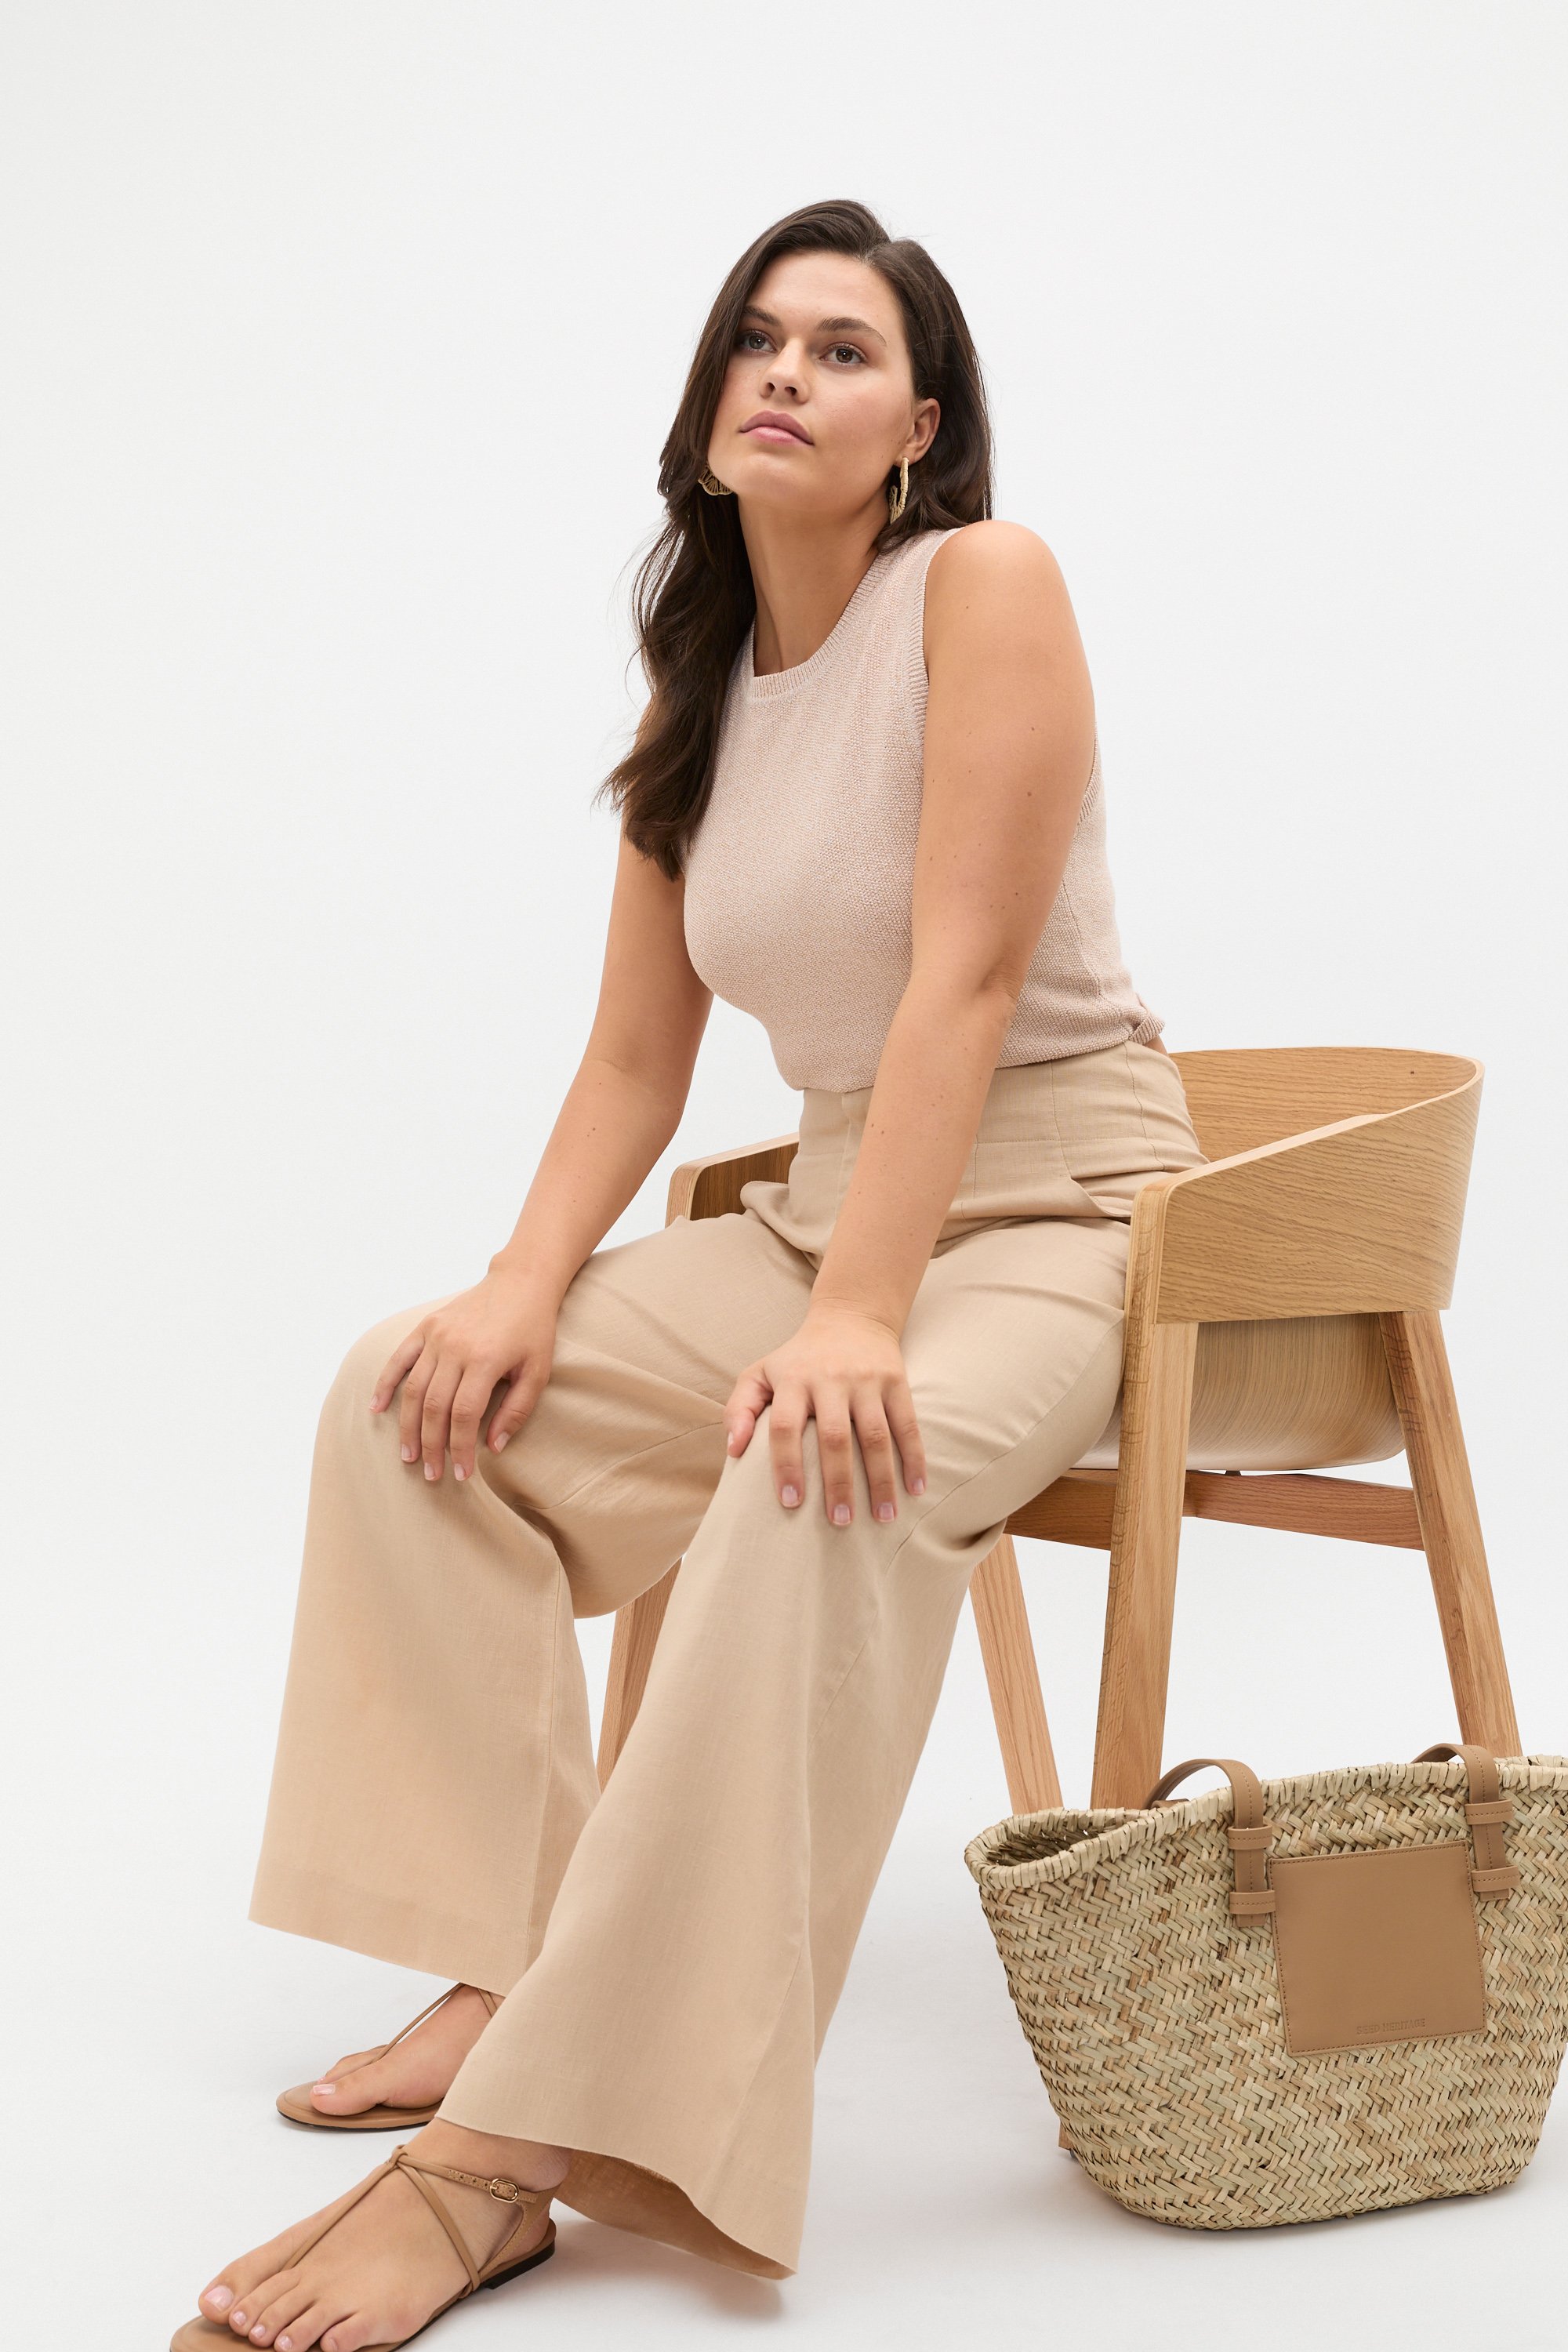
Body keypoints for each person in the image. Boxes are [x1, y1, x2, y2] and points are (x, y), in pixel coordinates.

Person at [175, 196, 1207, 2352]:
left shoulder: (985, 586)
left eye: (844, 349)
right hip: (835, 1205)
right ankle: (515, 1966)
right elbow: (639, 1060)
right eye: (759, 337)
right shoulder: (704, 678)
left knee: (818, 1469)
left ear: (921, 425)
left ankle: (509, 2159)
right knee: (412, 1402)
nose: (786, 373)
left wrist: (858, 1320)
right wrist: (516, 1288)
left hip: (1059, 1215)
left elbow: (967, 981)